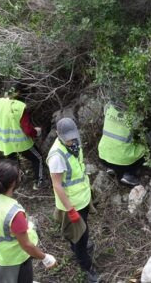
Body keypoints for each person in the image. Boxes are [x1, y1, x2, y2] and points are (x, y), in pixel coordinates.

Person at [0, 160, 56, 283]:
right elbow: (26, 245)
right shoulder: (14, 212)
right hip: (16, 258)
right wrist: (45, 258)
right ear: (13, 183)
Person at [46, 117, 98, 282]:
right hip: (71, 205)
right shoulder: (56, 156)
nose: (71, 140)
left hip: (82, 198)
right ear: (59, 135)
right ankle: (87, 267)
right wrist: (70, 210)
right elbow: (57, 186)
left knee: (83, 230)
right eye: (67, 138)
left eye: (73, 136)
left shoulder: (76, 144)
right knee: (80, 238)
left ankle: (78, 247)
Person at [0, 83, 45, 190]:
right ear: (18, 93)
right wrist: (37, 132)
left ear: (6, 92)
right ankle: (38, 183)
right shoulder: (19, 107)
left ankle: (15, 185)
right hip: (22, 143)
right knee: (37, 158)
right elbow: (28, 130)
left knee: (13, 164)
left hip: (5, 144)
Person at [97, 102, 148, 186]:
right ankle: (129, 174)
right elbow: (139, 132)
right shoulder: (134, 116)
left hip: (102, 156)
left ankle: (112, 169)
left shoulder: (109, 107)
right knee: (145, 149)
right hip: (121, 162)